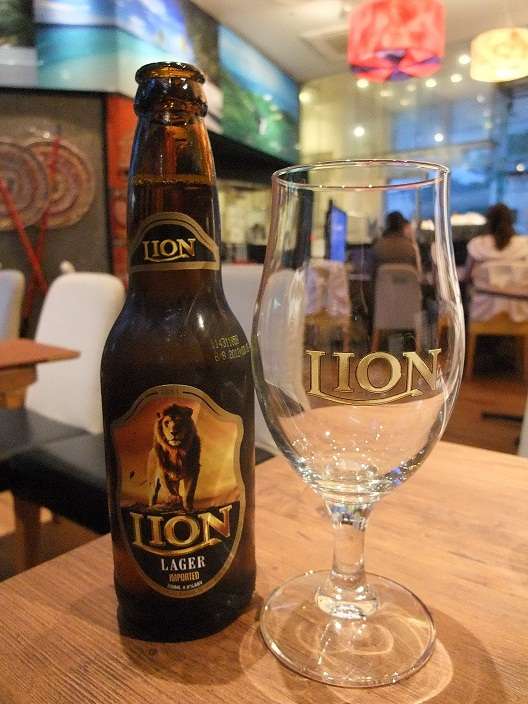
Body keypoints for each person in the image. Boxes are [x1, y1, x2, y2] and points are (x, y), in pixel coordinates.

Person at [465, 203, 528, 322]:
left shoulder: (478, 244)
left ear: (488, 221)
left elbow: (467, 276)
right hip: (521, 312)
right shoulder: (524, 245)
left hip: (483, 311)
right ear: (511, 220)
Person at [371, 211, 422, 278]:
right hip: (406, 284)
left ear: (387, 225)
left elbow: (372, 274)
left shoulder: (378, 247)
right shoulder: (410, 248)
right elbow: (418, 275)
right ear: (402, 226)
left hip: (384, 284)